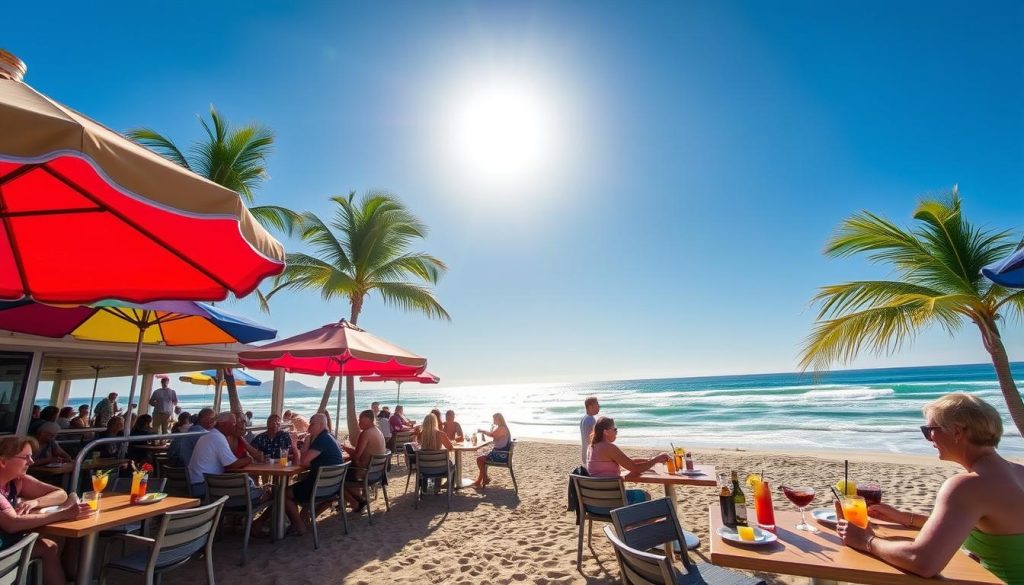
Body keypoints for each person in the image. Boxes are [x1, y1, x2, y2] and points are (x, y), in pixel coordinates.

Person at [838, 393, 1024, 583]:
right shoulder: (1018, 472)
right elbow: (964, 524)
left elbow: (922, 562)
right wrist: (905, 517)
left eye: (929, 430)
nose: (930, 439)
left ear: (957, 432)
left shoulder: (968, 486)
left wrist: (866, 541)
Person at [0, 436, 92, 585]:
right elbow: (12, 523)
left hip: (7, 547)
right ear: (3, 461)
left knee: (48, 546)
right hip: (3, 554)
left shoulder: (16, 481)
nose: (31, 462)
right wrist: (64, 513)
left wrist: (36, 501)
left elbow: (60, 494)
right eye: (26, 457)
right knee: (47, 546)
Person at [280, 414, 343, 536]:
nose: (309, 427)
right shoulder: (329, 437)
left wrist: (299, 444)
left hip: (320, 489)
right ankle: (301, 519)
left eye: (312, 424)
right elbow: (309, 462)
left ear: (321, 425)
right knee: (303, 480)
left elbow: (303, 462)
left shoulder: (322, 439)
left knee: (282, 493)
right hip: (332, 488)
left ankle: (299, 526)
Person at [587, 416, 667, 506]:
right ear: (606, 432)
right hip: (612, 501)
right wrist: (656, 460)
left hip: (595, 500)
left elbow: (627, 462)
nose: (617, 432)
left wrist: (650, 460)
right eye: (615, 429)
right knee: (645, 495)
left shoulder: (592, 447)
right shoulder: (609, 447)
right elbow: (636, 468)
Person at [188, 412, 262, 498]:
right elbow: (232, 465)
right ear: (223, 424)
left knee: (248, 486)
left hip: (200, 483)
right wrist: (249, 459)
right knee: (250, 488)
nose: (235, 426)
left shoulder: (211, 434)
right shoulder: (217, 437)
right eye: (233, 423)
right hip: (203, 486)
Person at [343, 410, 387, 513]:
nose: (359, 423)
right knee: (348, 470)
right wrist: (349, 448)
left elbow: (356, 456)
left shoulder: (366, 433)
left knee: (339, 478)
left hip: (366, 472)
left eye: (360, 420)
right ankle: (358, 500)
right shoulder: (377, 431)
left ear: (368, 420)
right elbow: (363, 452)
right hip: (378, 472)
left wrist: (345, 448)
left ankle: (358, 501)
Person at [472, 413, 513, 488]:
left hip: (501, 455)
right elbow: (494, 436)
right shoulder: (501, 427)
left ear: (499, 419)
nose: (493, 420)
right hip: (500, 452)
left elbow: (492, 435)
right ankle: (482, 479)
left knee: (480, 459)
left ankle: (483, 479)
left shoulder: (502, 428)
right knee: (481, 457)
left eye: (494, 419)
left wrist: (482, 431)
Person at [580, 396, 600, 465]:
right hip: (590, 457)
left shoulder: (584, 418)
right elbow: (592, 440)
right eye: (597, 404)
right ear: (590, 407)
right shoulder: (591, 419)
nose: (599, 406)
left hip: (585, 455)